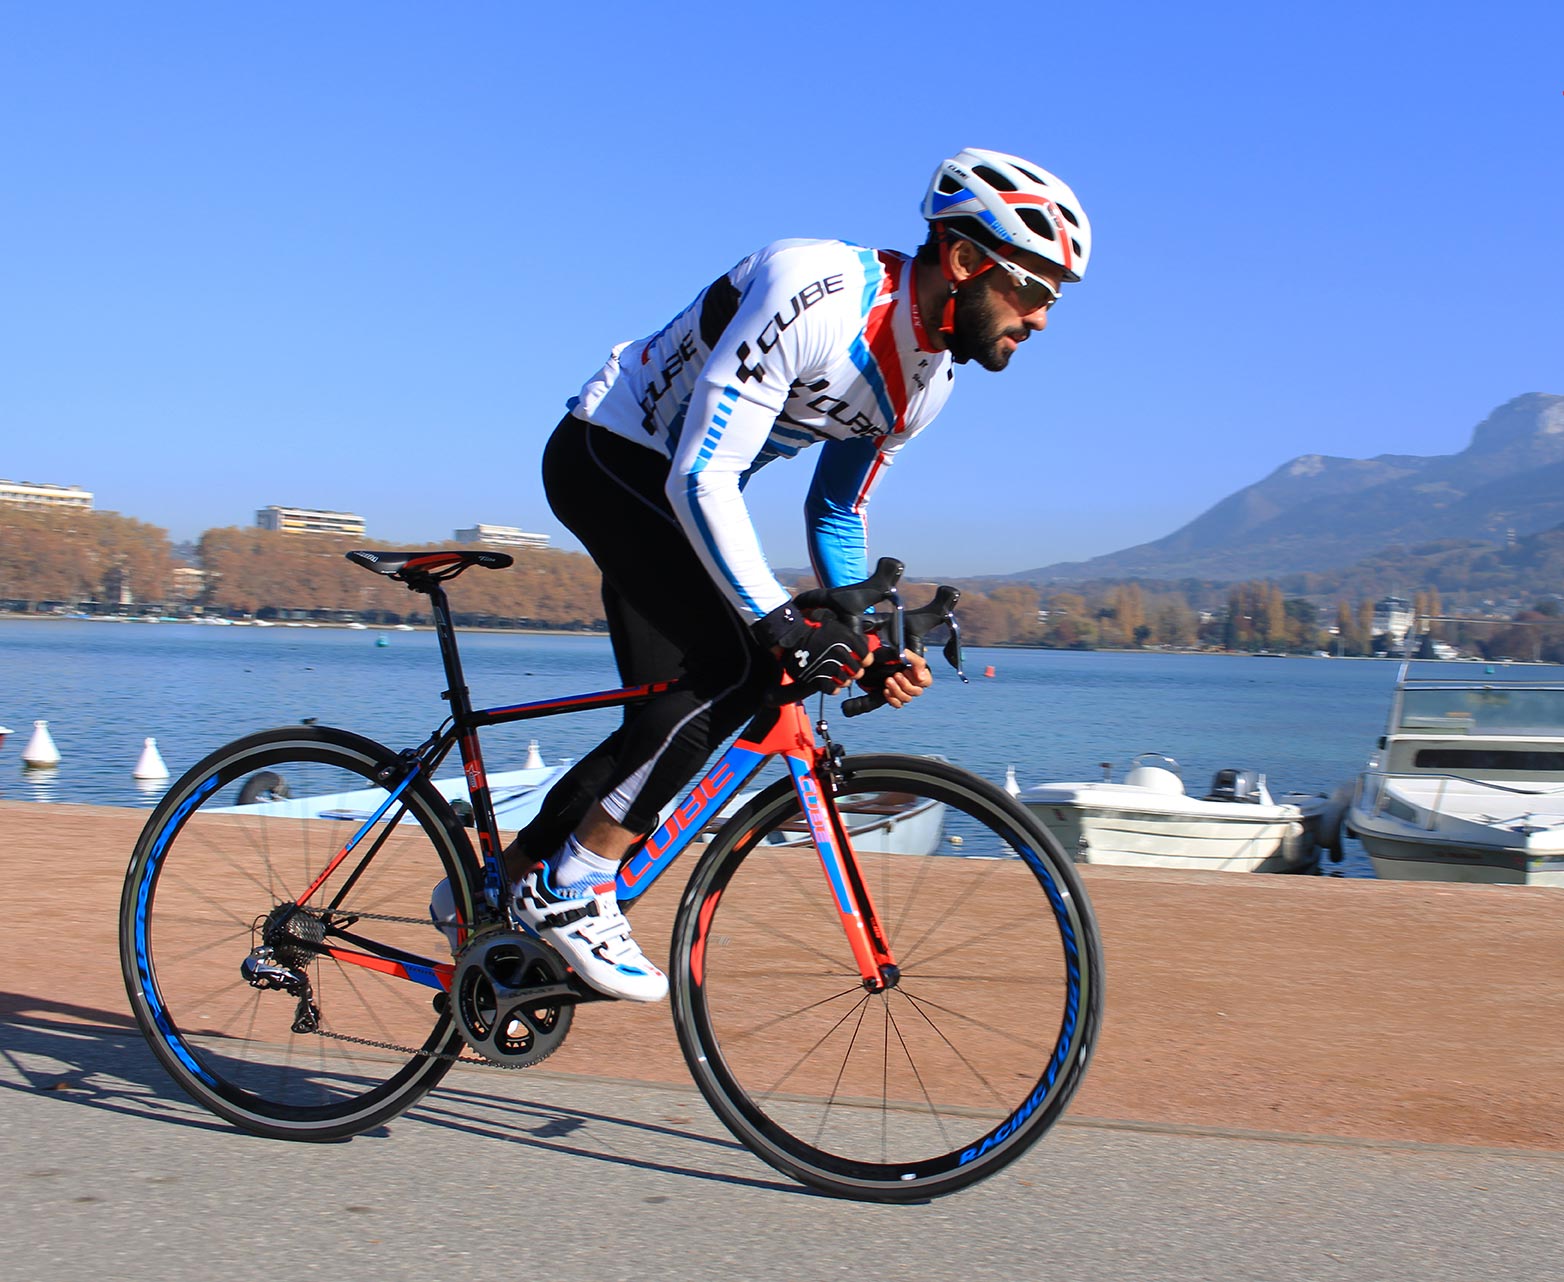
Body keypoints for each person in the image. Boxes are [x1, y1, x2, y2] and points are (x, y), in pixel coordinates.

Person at [434, 147, 1092, 1001]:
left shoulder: (924, 387)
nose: (1042, 319)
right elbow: (700, 476)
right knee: (738, 670)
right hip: (611, 454)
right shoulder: (816, 291)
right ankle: (572, 887)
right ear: (966, 262)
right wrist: (780, 621)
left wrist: (873, 636)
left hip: (679, 497)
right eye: (1034, 290)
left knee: (671, 719)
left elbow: (837, 514)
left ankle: (497, 888)